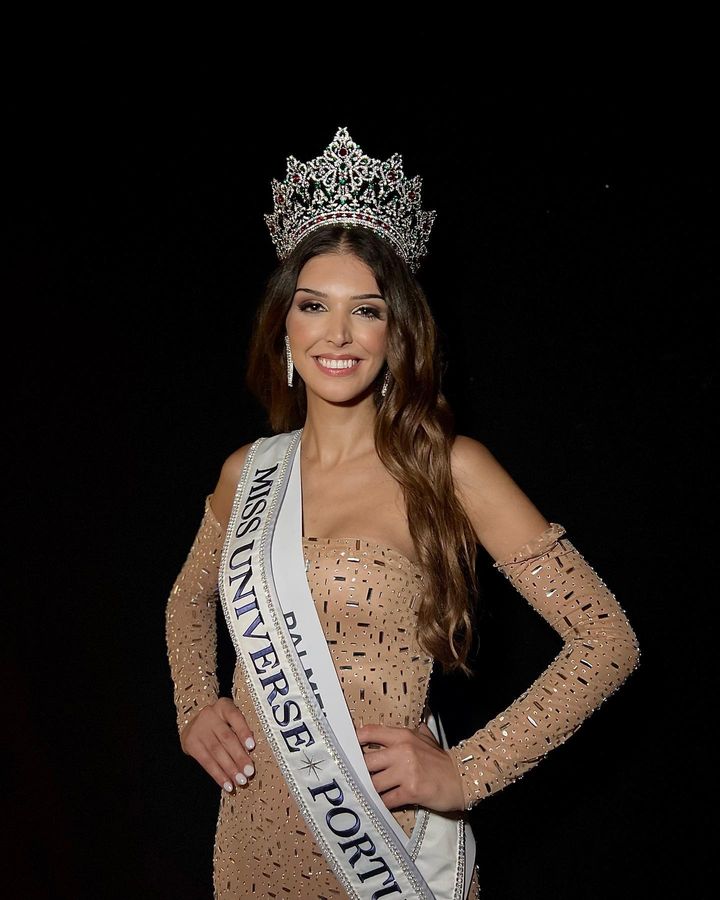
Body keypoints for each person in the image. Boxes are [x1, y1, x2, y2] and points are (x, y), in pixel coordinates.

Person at [165, 126, 641, 900]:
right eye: (314, 306)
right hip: (252, 845)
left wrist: (468, 770)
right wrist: (195, 705)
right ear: (285, 326)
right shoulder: (247, 472)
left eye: (367, 310)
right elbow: (189, 598)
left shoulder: (452, 469)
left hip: (388, 850)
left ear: (398, 333)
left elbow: (607, 639)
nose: (338, 334)